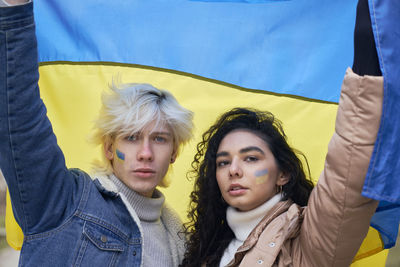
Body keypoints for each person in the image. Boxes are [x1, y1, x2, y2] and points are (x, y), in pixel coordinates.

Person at [180, 0, 384, 265]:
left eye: (251, 158)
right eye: (223, 162)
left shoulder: (309, 241)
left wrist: (371, 29)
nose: (234, 170)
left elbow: (349, 169)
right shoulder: (202, 251)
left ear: (283, 174)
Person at [0, 1, 193, 266]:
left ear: (174, 152)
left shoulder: (183, 244)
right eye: (131, 137)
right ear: (109, 148)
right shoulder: (64, 201)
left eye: (159, 139)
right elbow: (18, 117)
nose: (146, 153)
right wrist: (13, 11)